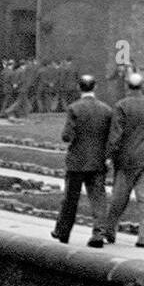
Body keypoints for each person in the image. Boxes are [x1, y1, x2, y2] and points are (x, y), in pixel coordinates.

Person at [52, 75, 113, 246]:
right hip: (97, 160)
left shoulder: (74, 108)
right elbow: (111, 137)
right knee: (99, 198)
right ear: (96, 87)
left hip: (77, 161)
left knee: (71, 198)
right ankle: (99, 234)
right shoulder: (106, 110)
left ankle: (63, 231)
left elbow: (66, 136)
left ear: (80, 88)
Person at [104, 72, 144, 246]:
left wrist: (109, 156)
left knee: (119, 199)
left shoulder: (122, 105)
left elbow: (116, 136)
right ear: (142, 86)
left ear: (127, 86)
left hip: (127, 159)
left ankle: (109, 230)